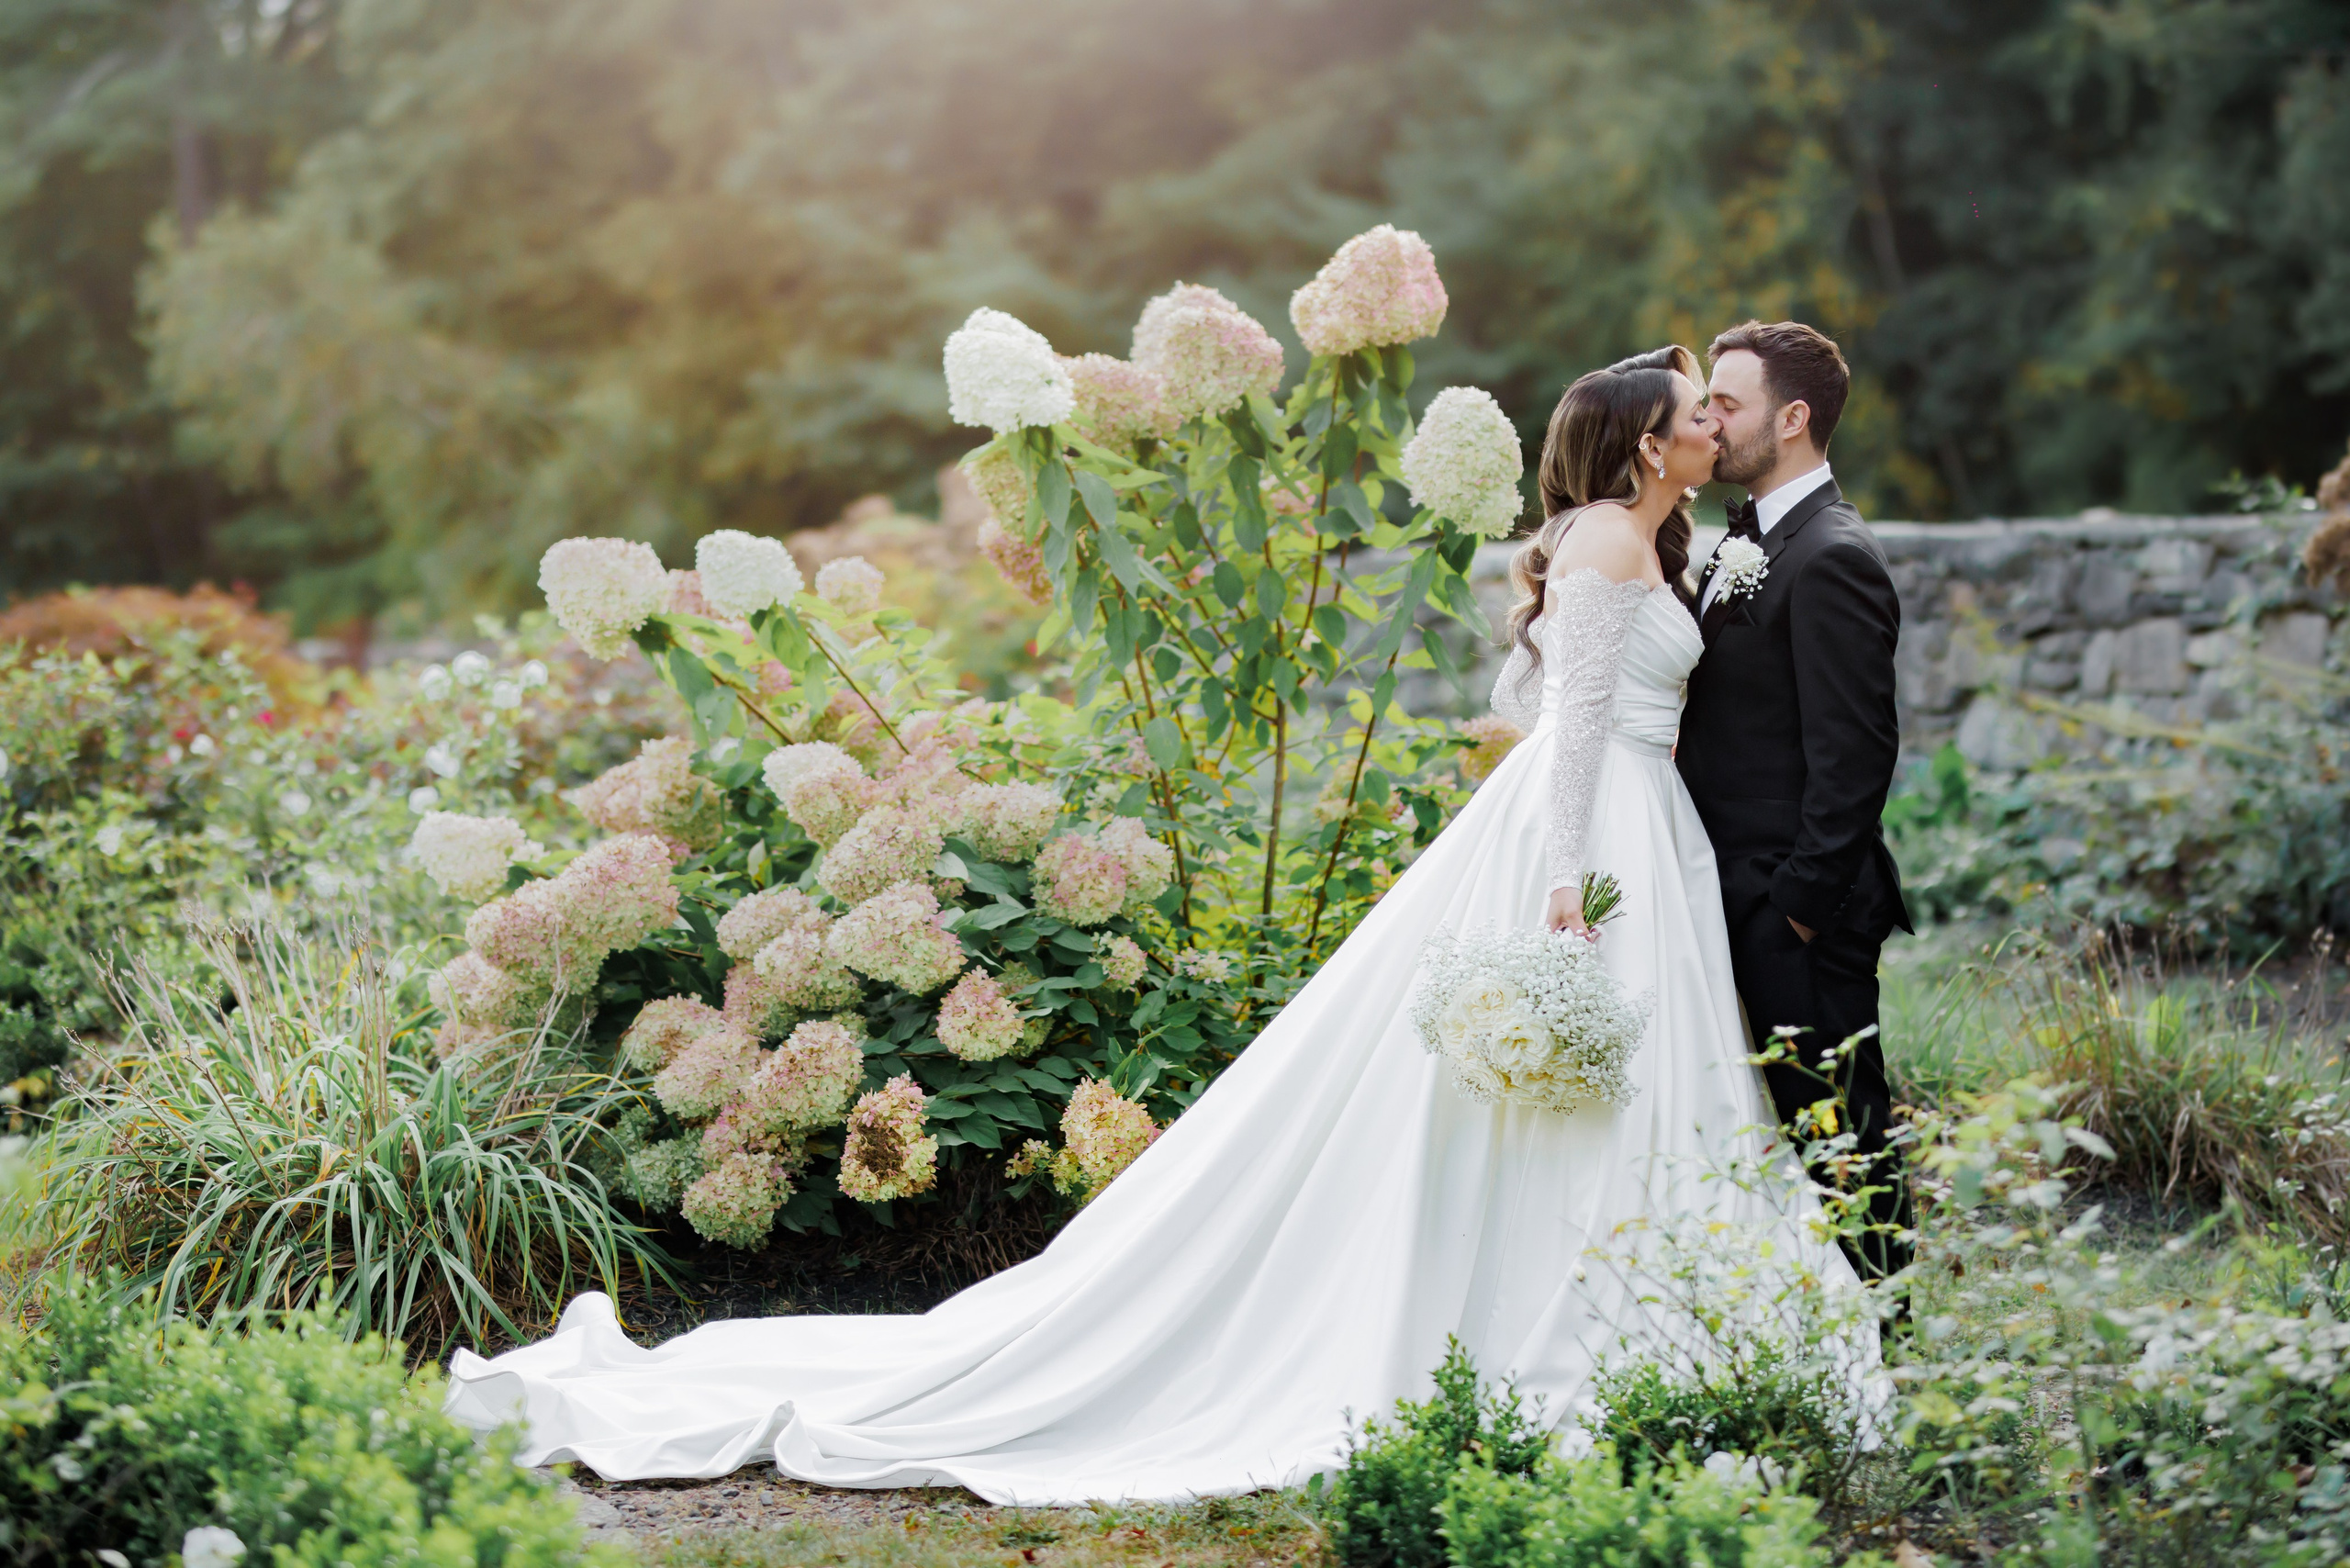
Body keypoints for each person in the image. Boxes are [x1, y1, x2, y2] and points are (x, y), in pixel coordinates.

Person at [444, 346, 1865, 1506]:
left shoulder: (1642, 538)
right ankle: (1581, 1324)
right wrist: (1566, 879)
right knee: (1581, 1082)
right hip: (1595, 836)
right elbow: (1556, 738)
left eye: (1715, 410)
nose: (1709, 425)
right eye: (1692, 413)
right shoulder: (1618, 540)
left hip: (1637, 824)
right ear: (1639, 446)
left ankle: (1619, 1310)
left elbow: (1530, 700)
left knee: (1618, 1089)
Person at [1679, 320, 1916, 1286]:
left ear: (1793, 417)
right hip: (1736, 890)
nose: (1708, 421)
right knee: (1781, 1132)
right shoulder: (1749, 538)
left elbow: (1855, 757)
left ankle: (1890, 1341)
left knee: (1841, 1129)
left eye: (1725, 404)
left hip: (1796, 907)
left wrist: (1797, 913)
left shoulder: (1831, 558)